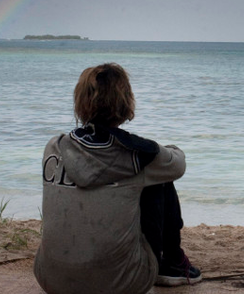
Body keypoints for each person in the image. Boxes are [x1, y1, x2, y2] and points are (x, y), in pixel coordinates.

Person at [34, 63, 201, 294]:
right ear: (126, 101)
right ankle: (172, 261)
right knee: (159, 180)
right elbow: (178, 164)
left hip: (50, 279)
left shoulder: (55, 147)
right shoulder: (139, 154)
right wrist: (162, 151)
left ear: (80, 101)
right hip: (120, 284)